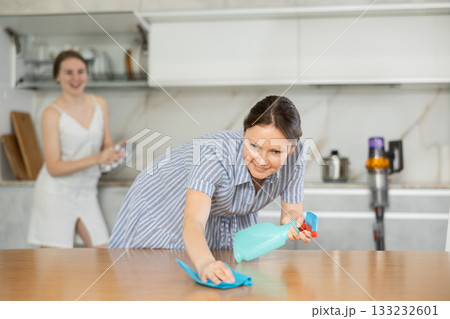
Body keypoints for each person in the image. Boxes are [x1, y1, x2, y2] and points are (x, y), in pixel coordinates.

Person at [108, 95, 311, 283]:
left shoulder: (296, 156)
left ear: (291, 148)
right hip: (164, 203)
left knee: (231, 274)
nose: (261, 159)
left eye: (275, 151)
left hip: (221, 208)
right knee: (158, 277)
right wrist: (205, 263)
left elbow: (290, 212)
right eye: (254, 146)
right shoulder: (212, 155)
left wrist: (294, 222)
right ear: (244, 134)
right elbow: (193, 221)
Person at [27, 50, 123, 248]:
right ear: (57, 76)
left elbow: (106, 144)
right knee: (53, 265)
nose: (76, 78)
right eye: (68, 72)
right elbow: (54, 167)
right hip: (56, 193)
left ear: (87, 74)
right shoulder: (51, 114)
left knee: (104, 254)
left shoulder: (100, 104)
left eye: (81, 71)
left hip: (87, 192)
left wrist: (115, 152)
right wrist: (97, 158)